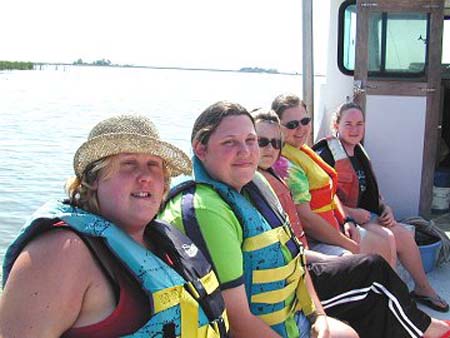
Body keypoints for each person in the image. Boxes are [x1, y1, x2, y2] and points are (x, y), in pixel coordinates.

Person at [0, 115, 230, 338]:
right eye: (128, 164)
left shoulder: (166, 241)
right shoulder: (60, 253)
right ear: (93, 179)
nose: (145, 176)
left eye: (153, 165)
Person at [160, 101, 358, 338]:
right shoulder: (205, 209)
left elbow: (295, 258)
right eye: (229, 142)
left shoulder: (257, 184)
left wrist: (318, 315)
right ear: (201, 150)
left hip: (292, 319)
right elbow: (237, 321)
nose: (245, 151)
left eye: (251, 140)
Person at [252, 107, 450, 338]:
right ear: (336, 125)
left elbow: (334, 196)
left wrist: (373, 211)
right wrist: (347, 225)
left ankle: (416, 300)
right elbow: (302, 227)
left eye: (275, 143)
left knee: (390, 247)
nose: (270, 148)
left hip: (315, 250)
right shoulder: (268, 178)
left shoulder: (275, 174)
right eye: (260, 141)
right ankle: (421, 325)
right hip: (297, 271)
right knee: (374, 262)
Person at [312, 101, 449, 313]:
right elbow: (322, 199)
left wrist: (386, 208)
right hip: (341, 221)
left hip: (366, 215)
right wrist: (351, 213)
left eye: (359, 124)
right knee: (388, 238)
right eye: (348, 124)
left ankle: (423, 289)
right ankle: (389, 299)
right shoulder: (325, 155)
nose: (354, 129)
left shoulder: (359, 152)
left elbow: (373, 192)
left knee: (403, 234)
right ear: (336, 125)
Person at [271, 93, 394, 266]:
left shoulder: (304, 152)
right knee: (378, 247)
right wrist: (346, 243)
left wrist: (346, 219)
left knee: (385, 242)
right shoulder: (286, 164)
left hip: (336, 223)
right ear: (278, 127)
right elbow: (306, 219)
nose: (301, 129)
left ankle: (386, 291)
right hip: (316, 236)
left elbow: (329, 193)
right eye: (292, 125)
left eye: (305, 121)